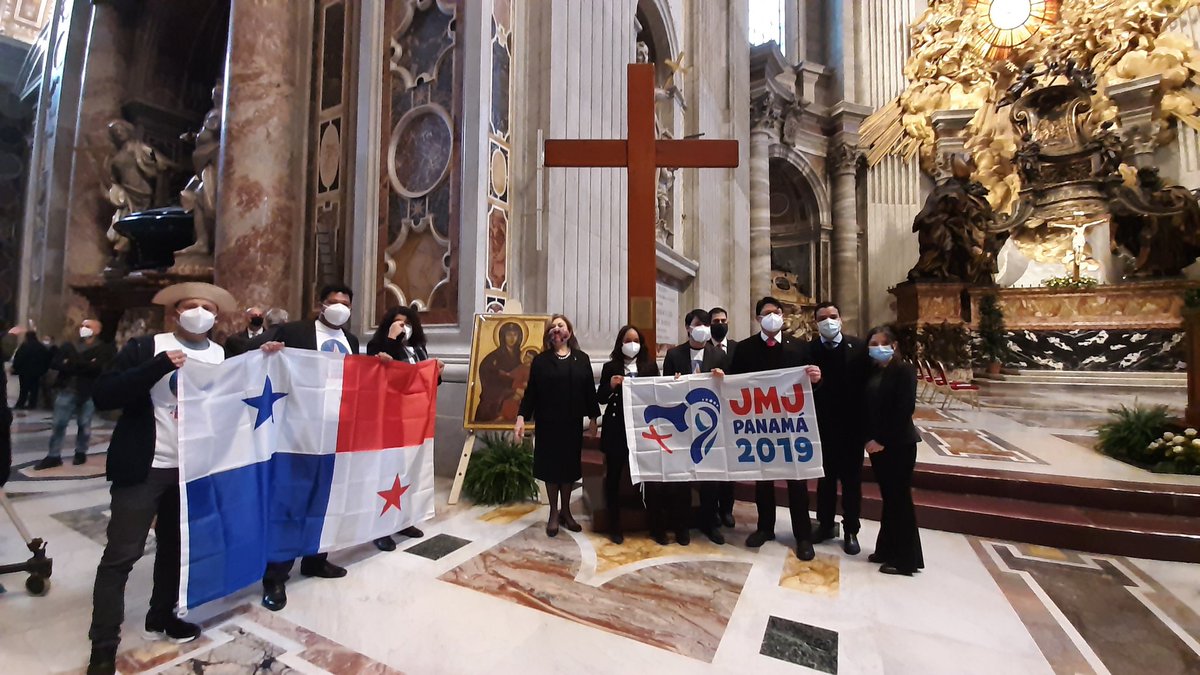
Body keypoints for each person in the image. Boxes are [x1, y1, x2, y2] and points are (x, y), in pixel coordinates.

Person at [85, 282, 238, 675]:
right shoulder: (145, 347)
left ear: (216, 318)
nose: (199, 313)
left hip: (192, 471)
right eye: (191, 306)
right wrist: (159, 365)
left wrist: (270, 353)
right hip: (145, 467)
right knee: (121, 555)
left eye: (207, 308)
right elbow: (105, 394)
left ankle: (162, 615)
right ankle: (104, 644)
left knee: (175, 550)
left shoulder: (223, 354)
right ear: (174, 313)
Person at [259, 283, 358, 611]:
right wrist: (267, 352)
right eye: (334, 302)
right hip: (297, 432)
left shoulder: (352, 341)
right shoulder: (295, 331)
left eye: (345, 303)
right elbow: (251, 354)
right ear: (321, 305)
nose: (339, 308)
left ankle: (316, 558)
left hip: (336, 432)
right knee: (292, 499)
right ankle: (276, 573)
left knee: (327, 498)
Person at [728, 296, 822, 561]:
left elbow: (812, 387)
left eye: (777, 312)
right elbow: (735, 383)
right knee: (764, 479)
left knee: (797, 482)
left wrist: (816, 379)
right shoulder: (745, 348)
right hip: (760, 426)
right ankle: (765, 528)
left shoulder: (800, 347)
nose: (774, 316)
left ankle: (802, 535)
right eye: (768, 312)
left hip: (791, 425)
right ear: (758, 319)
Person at [366, 305, 445, 551]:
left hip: (415, 420)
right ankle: (381, 528)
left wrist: (437, 372)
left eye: (407, 322)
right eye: (397, 322)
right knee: (387, 473)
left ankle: (404, 520)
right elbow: (374, 378)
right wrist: (391, 340)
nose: (403, 327)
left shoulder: (418, 348)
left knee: (410, 469)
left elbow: (427, 383)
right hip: (390, 418)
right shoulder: (377, 346)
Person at [514, 314, 599, 538]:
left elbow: (589, 389)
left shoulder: (582, 358)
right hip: (548, 423)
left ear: (569, 331)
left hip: (571, 422)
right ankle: (553, 512)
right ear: (549, 335)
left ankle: (567, 511)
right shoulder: (541, 361)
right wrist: (521, 417)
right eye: (553, 327)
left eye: (561, 325)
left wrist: (593, 418)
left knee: (569, 469)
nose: (556, 329)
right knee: (551, 469)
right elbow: (531, 392)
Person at [662, 309, 727, 546]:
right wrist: (674, 382)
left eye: (707, 324)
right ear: (688, 327)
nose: (703, 328)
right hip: (682, 425)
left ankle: (709, 523)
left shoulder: (718, 355)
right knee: (682, 479)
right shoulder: (674, 354)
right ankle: (681, 526)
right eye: (699, 324)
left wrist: (723, 378)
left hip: (709, 426)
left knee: (711, 478)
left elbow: (729, 389)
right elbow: (665, 390)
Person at [863, 325, 924, 576]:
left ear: (894, 346)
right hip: (878, 446)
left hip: (898, 444)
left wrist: (881, 439)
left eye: (882, 343)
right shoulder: (872, 372)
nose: (877, 348)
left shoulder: (904, 371)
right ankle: (887, 549)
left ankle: (906, 560)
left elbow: (903, 409)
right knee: (889, 499)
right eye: (873, 344)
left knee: (900, 501)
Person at [810, 302, 870, 555]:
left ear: (841, 319)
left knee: (851, 482)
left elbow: (866, 388)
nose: (828, 321)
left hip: (851, 428)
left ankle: (851, 529)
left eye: (833, 316)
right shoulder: (808, 350)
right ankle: (824, 524)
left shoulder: (858, 348)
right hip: (821, 427)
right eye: (823, 318)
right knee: (824, 481)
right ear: (816, 323)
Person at [597, 325, 659, 544]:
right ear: (620, 343)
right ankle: (615, 525)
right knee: (613, 477)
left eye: (635, 340)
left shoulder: (649, 366)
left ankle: (656, 525)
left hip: (644, 429)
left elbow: (658, 395)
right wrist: (611, 385)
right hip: (617, 429)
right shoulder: (610, 367)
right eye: (627, 340)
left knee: (651, 478)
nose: (631, 344)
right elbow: (601, 398)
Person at [35, 320, 116, 469]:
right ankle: (53, 455)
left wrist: (71, 364)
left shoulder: (103, 349)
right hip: (67, 389)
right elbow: (56, 363)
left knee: (84, 425)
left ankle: (80, 452)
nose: (83, 329)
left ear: (97, 330)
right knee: (59, 424)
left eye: (88, 326)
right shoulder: (69, 346)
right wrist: (85, 364)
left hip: (88, 391)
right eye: (82, 326)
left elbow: (98, 368)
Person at [708, 306, 738, 528]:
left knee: (729, 466)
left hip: (732, 413)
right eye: (715, 321)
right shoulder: (702, 349)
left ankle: (727, 509)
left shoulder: (738, 348)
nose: (720, 324)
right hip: (707, 415)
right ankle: (711, 511)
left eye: (723, 320)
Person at [476, 321, 525, 423]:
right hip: (497, 399)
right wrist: (513, 390)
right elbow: (489, 381)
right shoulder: (493, 358)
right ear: (503, 336)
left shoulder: (524, 357)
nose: (512, 338)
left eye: (515, 334)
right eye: (508, 334)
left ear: (519, 337)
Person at [12, 330, 51, 409]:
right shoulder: (40, 347)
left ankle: (21, 404)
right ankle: (32, 404)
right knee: (34, 389)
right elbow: (47, 359)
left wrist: (15, 367)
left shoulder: (24, 346)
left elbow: (19, 358)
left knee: (23, 390)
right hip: (36, 373)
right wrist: (43, 370)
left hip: (24, 372)